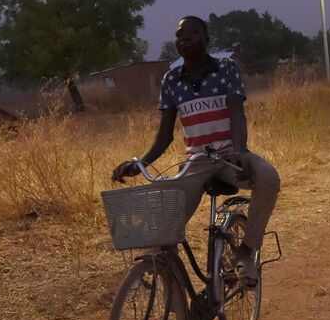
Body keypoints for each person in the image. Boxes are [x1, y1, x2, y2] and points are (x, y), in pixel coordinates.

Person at [112, 15, 280, 288]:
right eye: (179, 35)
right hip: (196, 163)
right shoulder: (171, 80)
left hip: (230, 156)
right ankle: (177, 308)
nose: (185, 38)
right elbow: (165, 134)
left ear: (206, 38)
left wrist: (239, 151)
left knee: (269, 178)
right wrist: (140, 162)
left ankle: (247, 252)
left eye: (192, 32)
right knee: (165, 229)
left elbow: (237, 114)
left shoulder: (226, 69)